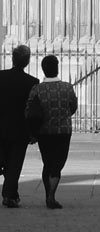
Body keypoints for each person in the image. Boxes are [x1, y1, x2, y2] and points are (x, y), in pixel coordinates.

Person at [25, 55, 77, 209]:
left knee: (47, 162)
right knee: (58, 164)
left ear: (43, 69)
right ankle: (51, 196)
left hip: (44, 131)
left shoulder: (37, 89)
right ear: (57, 68)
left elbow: (29, 111)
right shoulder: (67, 88)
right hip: (63, 131)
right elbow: (73, 106)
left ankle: (49, 194)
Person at [0, 45, 39, 208]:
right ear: (27, 61)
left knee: (5, 161)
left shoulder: (1, 77)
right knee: (15, 163)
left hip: (1, 126)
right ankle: (9, 195)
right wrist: (34, 131)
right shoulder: (32, 82)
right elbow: (33, 109)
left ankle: (11, 194)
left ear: (12, 59)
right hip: (20, 128)